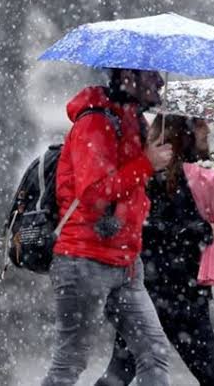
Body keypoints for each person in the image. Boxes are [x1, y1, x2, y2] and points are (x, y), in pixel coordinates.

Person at [42, 68, 173, 386]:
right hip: (84, 259)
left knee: (154, 354)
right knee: (70, 361)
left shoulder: (132, 122)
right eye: (151, 75)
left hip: (126, 263)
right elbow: (93, 194)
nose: (160, 81)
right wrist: (146, 164)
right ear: (128, 76)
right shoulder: (96, 122)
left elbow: (132, 190)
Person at [96, 114, 214, 386]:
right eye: (201, 124)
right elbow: (148, 229)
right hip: (163, 292)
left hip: (173, 290)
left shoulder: (201, 175)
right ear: (184, 132)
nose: (208, 129)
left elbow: (182, 227)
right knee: (121, 372)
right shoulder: (152, 176)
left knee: (120, 373)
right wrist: (202, 231)